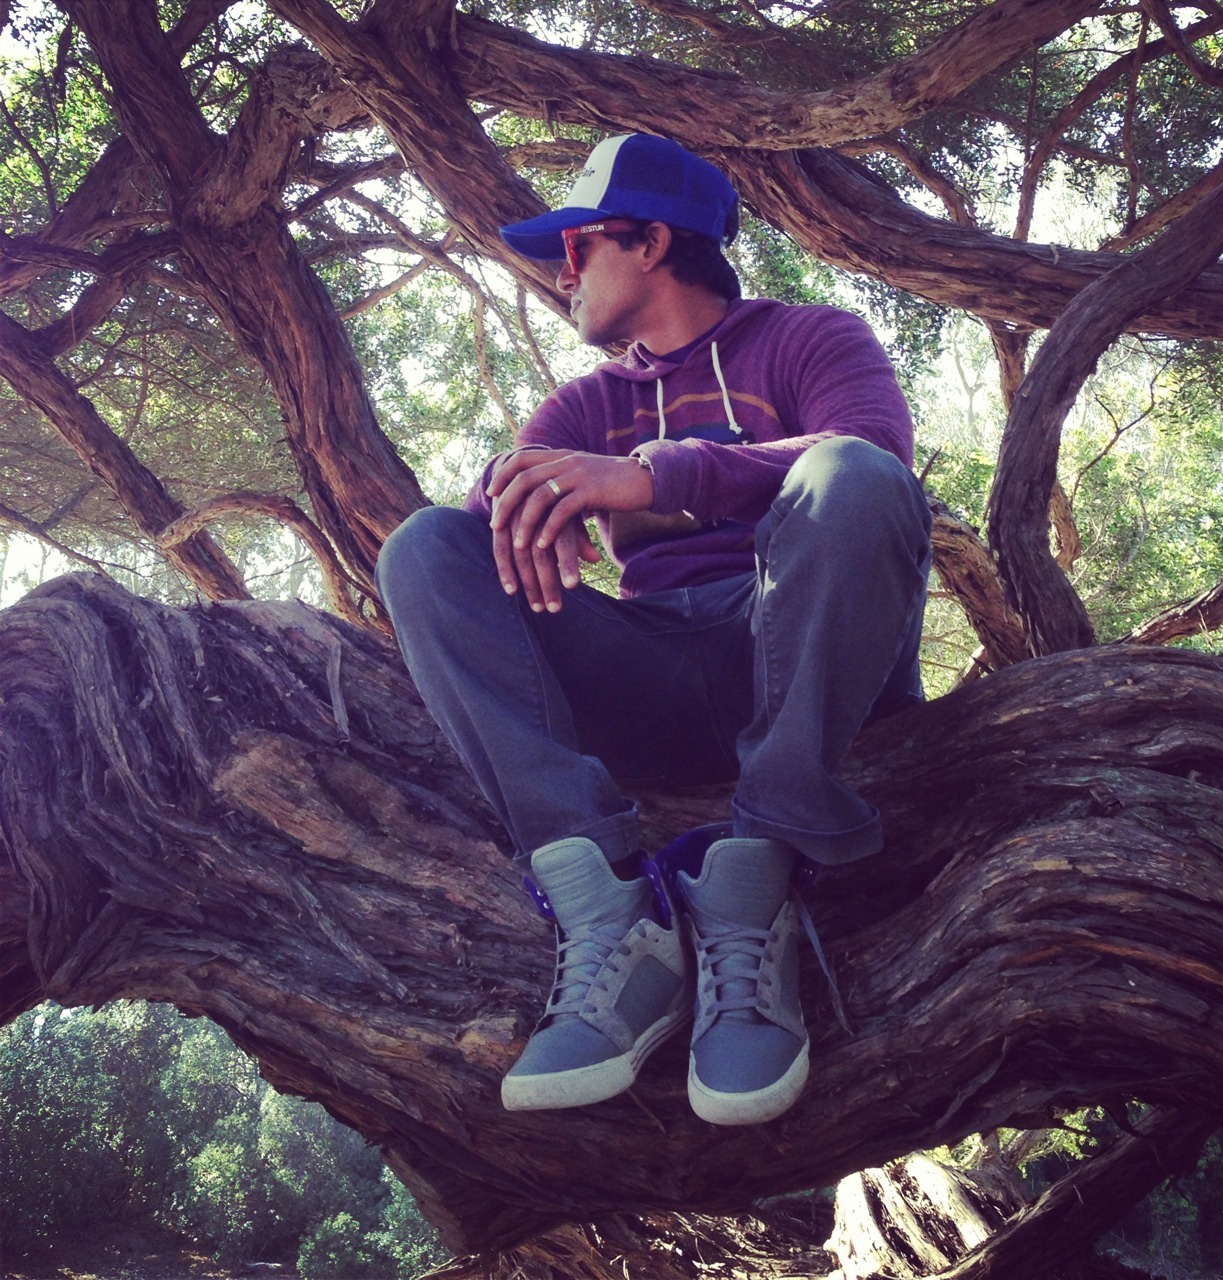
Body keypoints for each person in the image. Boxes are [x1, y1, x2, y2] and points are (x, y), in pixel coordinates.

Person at [376, 133, 932, 1126]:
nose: (562, 271)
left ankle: (755, 881)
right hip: (653, 667)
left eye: (578, 245)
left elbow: (871, 458)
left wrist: (651, 477)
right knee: (426, 549)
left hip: (799, 658)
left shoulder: (810, 340)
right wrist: (515, 523)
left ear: (648, 241)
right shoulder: (586, 403)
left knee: (850, 479)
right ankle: (605, 906)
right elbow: (490, 511)